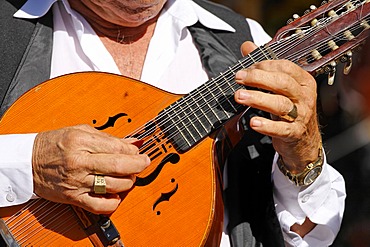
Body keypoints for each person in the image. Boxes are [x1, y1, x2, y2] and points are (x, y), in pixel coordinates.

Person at [0, 0, 345, 246]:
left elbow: (306, 235)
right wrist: (29, 163)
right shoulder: (7, 30)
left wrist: (303, 154)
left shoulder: (241, 39)